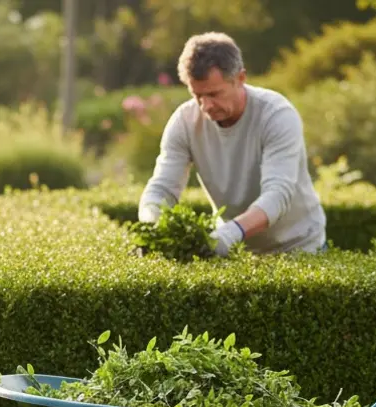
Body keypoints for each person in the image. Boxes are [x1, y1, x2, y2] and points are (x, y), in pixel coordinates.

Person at [137, 32, 327, 256]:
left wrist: (228, 234)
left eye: (214, 94)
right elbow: (161, 189)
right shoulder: (184, 122)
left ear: (240, 78)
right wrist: (154, 226)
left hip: (297, 248)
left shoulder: (277, 115)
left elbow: (277, 195)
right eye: (197, 95)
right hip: (236, 252)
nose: (205, 105)